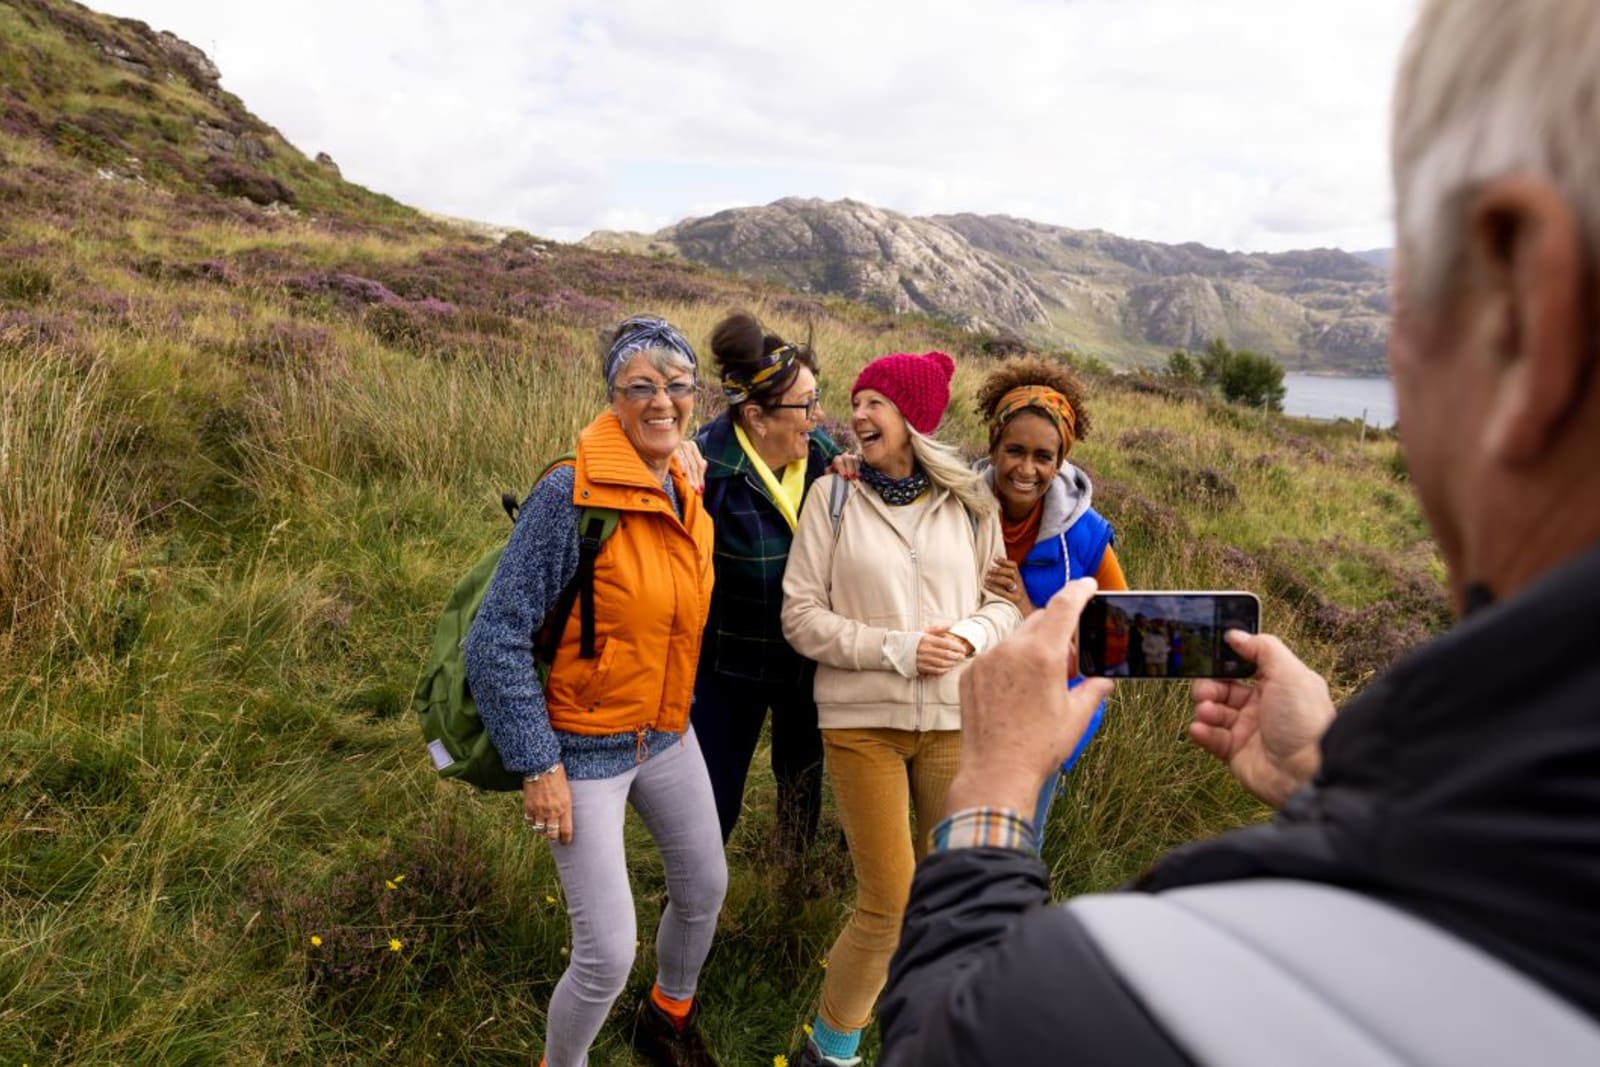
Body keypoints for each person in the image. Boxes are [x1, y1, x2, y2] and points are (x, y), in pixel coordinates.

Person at [876, 2, 1600, 1061]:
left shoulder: (1152, 995)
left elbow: (952, 1036)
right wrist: (1334, 769)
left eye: (1404, 290)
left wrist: (989, 797)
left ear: (1521, 315)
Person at [464, 315, 725, 1067]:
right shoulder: (567, 495)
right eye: (639, 385)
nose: (661, 401)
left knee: (704, 887)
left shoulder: (685, 476)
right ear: (612, 397)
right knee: (607, 954)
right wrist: (538, 765)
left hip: (668, 733)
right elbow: (495, 640)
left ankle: (668, 1015)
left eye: (677, 386)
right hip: (582, 752)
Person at [780, 350, 1021, 1067]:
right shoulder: (832, 496)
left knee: (942, 900)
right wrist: (899, 649)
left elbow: (1001, 602)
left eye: (876, 401)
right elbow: (799, 616)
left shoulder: (974, 502)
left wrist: (970, 636)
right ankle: (828, 1051)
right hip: (860, 725)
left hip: (953, 721)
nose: (858, 415)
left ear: (914, 416)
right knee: (888, 899)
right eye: (855, 402)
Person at [690, 310, 839, 857]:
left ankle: (791, 880)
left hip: (807, 665)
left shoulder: (824, 459)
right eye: (805, 406)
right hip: (729, 668)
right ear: (755, 416)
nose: (818, 415)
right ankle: (693, 897)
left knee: (802, 782)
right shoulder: (704, 470)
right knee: (715, 796)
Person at [972, 355, 1128, 837]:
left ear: (1061, 462)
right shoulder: (954, 508)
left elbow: (1121, 640)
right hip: (956, 712)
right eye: (1015, 450)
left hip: (1040, 724)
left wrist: (1027, 610)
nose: (1027, 468)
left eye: (1044, 457)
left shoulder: (1083, 536)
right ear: (993, 447)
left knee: (1017, 846)